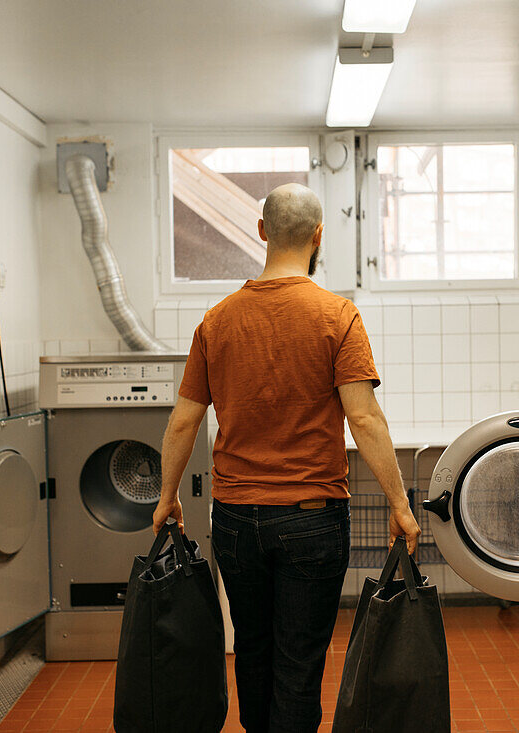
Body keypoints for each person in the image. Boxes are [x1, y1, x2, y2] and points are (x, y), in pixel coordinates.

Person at [153, 182, 421, 732]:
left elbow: (184, 421)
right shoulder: (337, 316)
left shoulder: (217, 320)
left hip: (233, 518)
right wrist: (399, 503)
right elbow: (364, 418)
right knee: (299, 661)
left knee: (251, 648)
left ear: (261, 232)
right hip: (311, 519)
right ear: (318, 236)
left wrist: (166, 498)